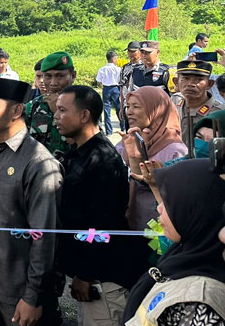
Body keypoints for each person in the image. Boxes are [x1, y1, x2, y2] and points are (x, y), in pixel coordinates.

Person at [0, 77, 62, 326]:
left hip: (18, 290)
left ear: (16, 110)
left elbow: (45, 238)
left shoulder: (39, 163)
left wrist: (33, 296)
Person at [53, 85, 147, 325]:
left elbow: (103, 222)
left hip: (104, 278)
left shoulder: (103, 158)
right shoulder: (79, 151)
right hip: (91, 272)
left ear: (84, 116)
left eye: (63, 110)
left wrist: (85, 275)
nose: (56, 116)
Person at [123, 160, 225, 326]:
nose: (159, 208)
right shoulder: (185, 256)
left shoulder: (198, 304)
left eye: (170, 203)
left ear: (194, 213)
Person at [117, 86, 187, 231]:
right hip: (130, 223)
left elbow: (178, 196)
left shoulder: (175, 150)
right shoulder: (128, 140)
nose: (129, 112)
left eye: (136, 107)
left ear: (157, 111)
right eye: (128, 106)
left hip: (161, 230)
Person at [25, 51, 76, 160]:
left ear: (73, 76)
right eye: (48, 76)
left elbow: (91, 144)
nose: (53, 83)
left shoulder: (84, 104)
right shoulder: (32, 107)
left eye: (60, 76)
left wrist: (58, 111)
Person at [172, 60, 224, 149]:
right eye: (185, 78)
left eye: (199, 80)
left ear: (209, 84)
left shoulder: (218, 112)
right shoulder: (175, 101)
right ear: (176, 82)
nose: (191, 84)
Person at [96, 50, 122, 136]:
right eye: (116, 59)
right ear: (114, 59)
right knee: (119, 108)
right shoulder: (118, 69)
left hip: (106, 89)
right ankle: (123, 127)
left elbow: (98, 81)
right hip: (116, 88)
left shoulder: (102, 69)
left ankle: (109, 131)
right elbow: (121, 80)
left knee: (107, 110)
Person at [118, 42, 142, 130]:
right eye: (129, 51)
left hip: (141, 105)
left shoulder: (144, 67)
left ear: (140, 52)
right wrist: (121, 107)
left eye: (133, 51)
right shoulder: (125, 68)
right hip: (127, 105)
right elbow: (122, 87)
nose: (130, 54)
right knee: (129, 131)